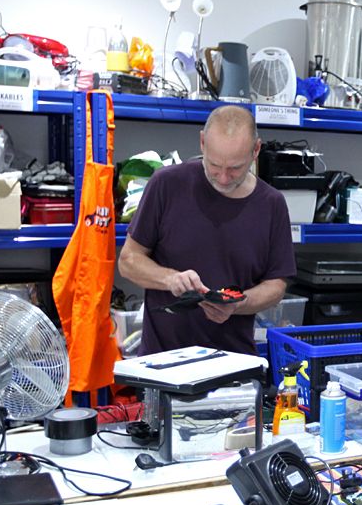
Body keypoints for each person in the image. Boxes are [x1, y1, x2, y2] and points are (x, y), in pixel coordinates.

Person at [118, 104, 296, 356]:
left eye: (235, 168)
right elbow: (128, 261)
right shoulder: (166, 185)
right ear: (202, 142)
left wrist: (238, 303)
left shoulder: (272, 204)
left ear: (256, 150)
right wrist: (170, 279)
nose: (223, 178)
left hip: (234, 363)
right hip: (163, 364)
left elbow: (276, 285)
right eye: (214, 165)